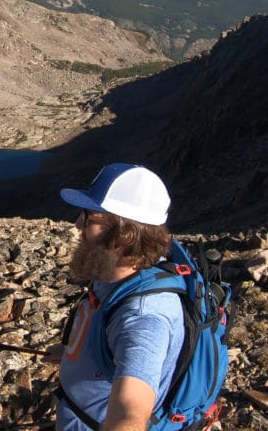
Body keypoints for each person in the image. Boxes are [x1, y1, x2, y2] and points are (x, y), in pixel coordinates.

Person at [44, 163, 185, 431]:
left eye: (90, 217)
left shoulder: (144, 317)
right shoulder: (114, 274)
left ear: (124, 233)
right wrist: (71, 353)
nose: (77, 224)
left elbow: (130, 412)